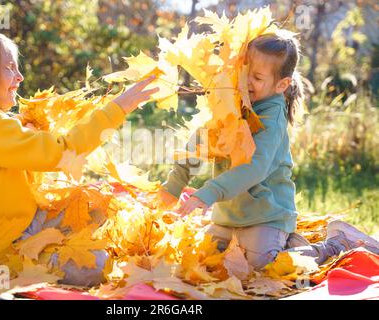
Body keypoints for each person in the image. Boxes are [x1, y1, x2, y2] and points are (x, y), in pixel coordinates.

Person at [0, 29, 158, 286]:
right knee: (95, 266)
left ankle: (61, 248)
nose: (20, 77)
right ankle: (46, 259)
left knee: (97, 207)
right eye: (8, 68)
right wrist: (118, 108)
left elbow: (24, 169)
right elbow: (63, 152)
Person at [157, 32, 379, 270]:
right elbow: (199, 142)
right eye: (244, 71)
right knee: (204, 260)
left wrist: (209, 192)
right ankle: (282, 244)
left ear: (281, 84)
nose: (247, 81)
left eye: (257, 77)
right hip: (228, 216)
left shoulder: (271, 117)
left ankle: (334, 244)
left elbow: (255, 167)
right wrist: (174, 185)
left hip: (267, 215)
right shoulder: (231, 102)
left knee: (263, 267)